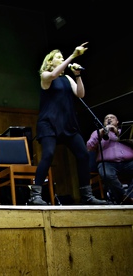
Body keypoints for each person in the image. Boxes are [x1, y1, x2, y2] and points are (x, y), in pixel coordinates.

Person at [31, 42, 107, 205]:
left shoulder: (66, 78)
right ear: (50, 62)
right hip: (49, 123)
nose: (62, 58)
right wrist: (73, 55)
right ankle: (35, 195)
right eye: (59, 57)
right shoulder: (45, 75)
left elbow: (80, 94)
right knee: (48, 154)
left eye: (63, 57)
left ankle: (86, 195)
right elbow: (52, 76)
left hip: (68, 123)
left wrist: (78, 76)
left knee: (83, 155)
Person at [86, 114, 133, 204]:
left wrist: (118, 133)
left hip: (129, 161)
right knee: (106, 174)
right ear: (103, 122)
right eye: (106, 118)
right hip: (107, 163)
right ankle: (124, 198)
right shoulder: (97, 133)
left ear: (117, 122)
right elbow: (89, 147)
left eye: (112, 118)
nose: (109, 119)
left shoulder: (124, 131)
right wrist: (100, 134)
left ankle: (130, 196)